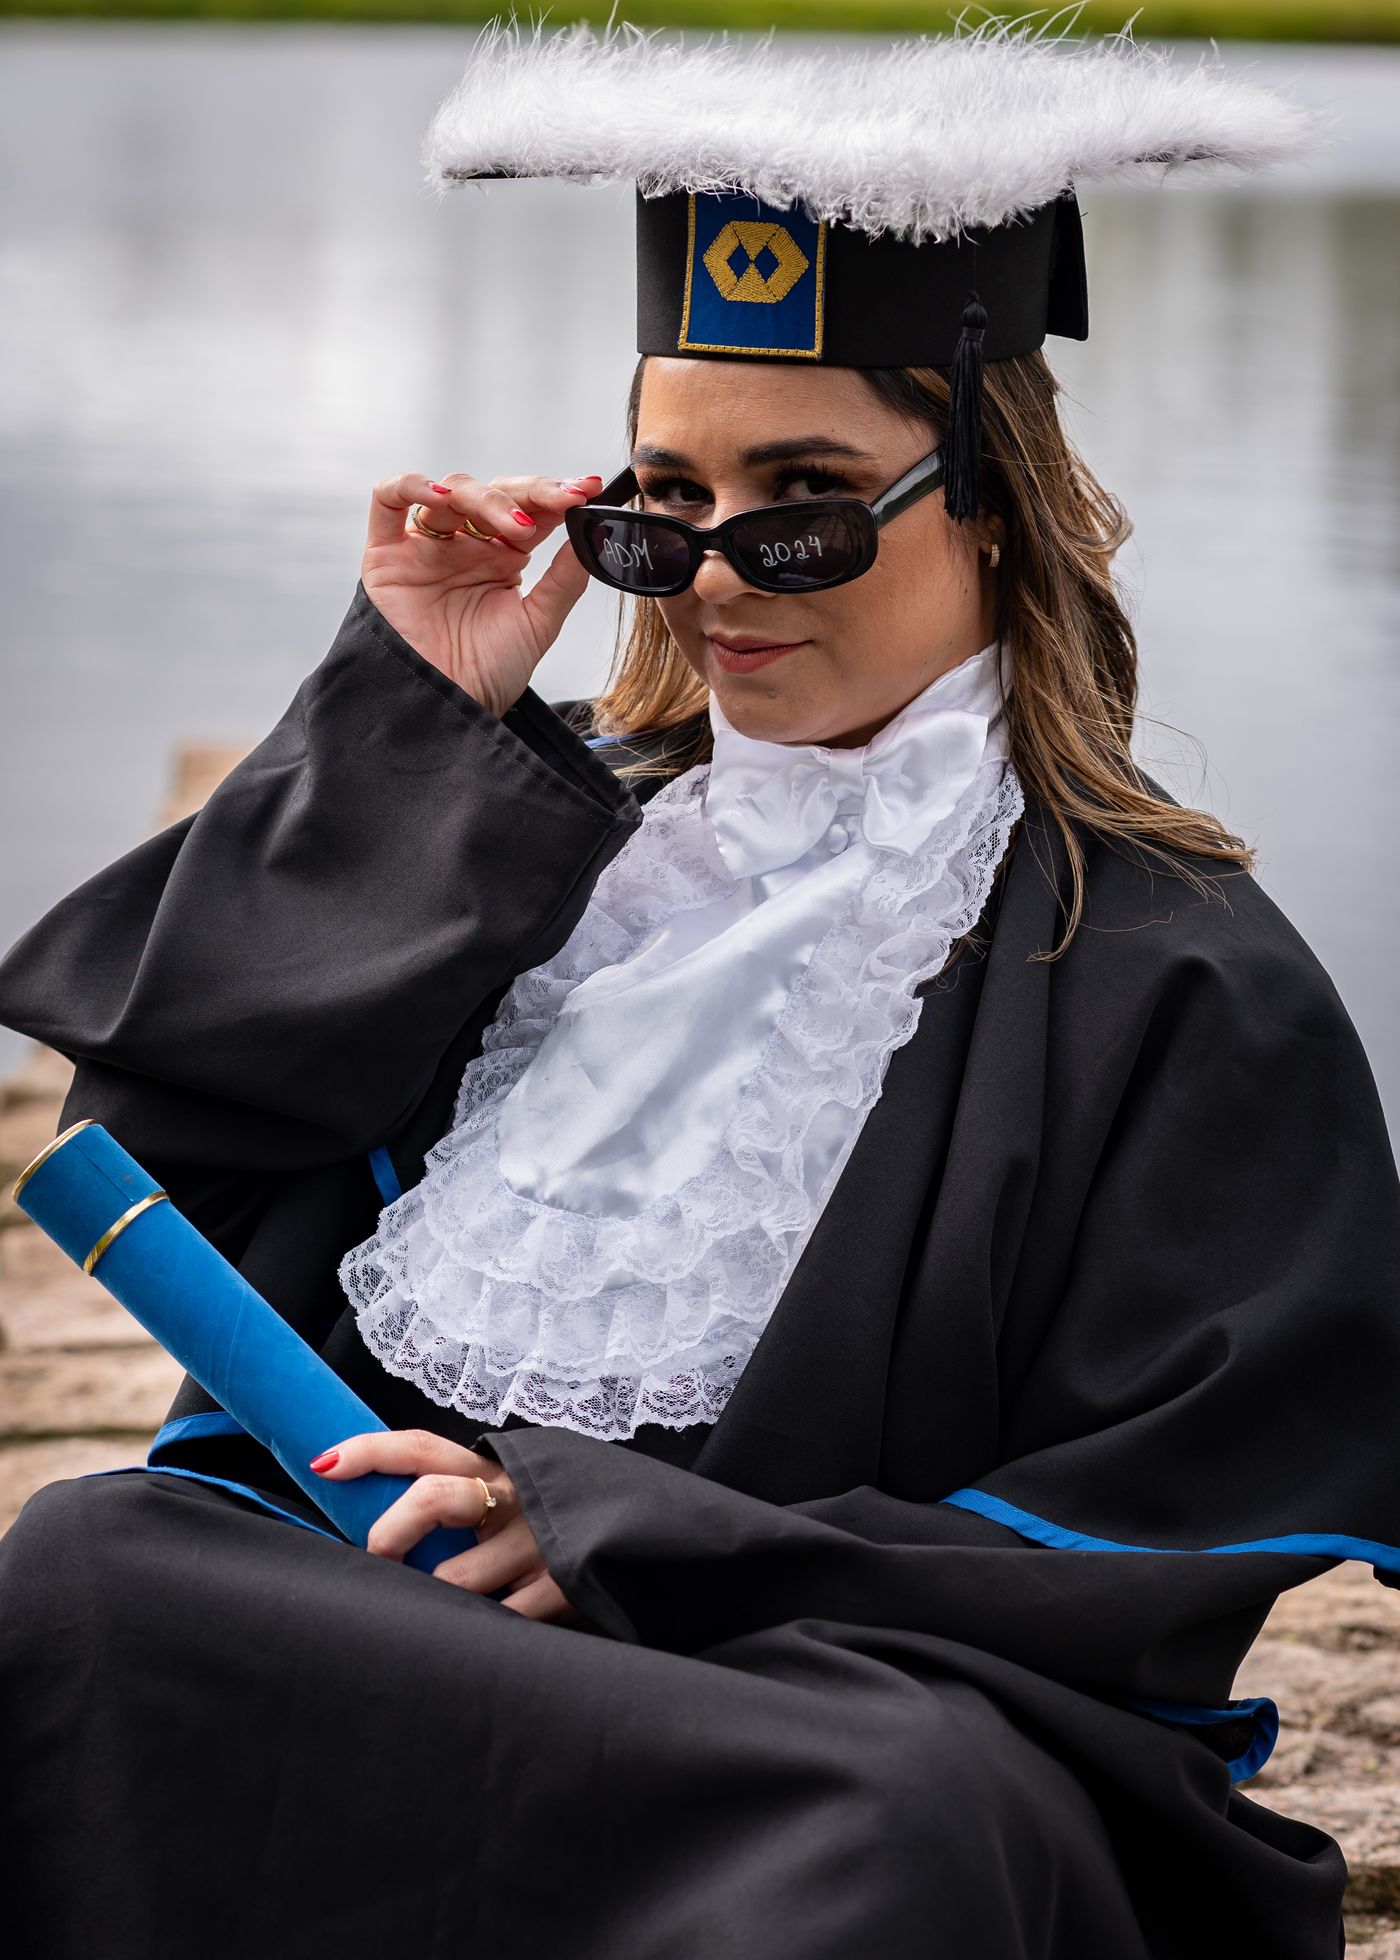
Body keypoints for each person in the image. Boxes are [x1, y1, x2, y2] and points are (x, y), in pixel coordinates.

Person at [1, 17, 1395, 1958]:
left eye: (802, 506)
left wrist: (608, 1532)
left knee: (905, 1820)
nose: (721, 580)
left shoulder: (1175, 966)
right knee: (87, 1574)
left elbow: (1165, 1530)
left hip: (827, 1708)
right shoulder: (550, 849)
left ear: (990, 500)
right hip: (430, 1641)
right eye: (660, 511)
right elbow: (173, 1150)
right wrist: (410, 720)